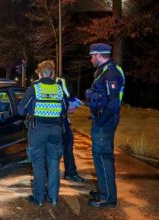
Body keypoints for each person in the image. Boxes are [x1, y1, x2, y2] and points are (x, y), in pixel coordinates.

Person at [18, 60, 67, 207]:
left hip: (38, 130)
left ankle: (39, 198)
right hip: (55, 131)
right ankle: (53, 197)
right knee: (54, 164)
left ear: (39, 73)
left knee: (38, 164)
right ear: (53, 74)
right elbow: (64, 109)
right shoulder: (59, 89)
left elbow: (21, 110)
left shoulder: (34, 88)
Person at [85, 43, 125, 208]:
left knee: (103, 158)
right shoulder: (103, 72)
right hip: (101, 121)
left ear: (99, 55)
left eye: (92, 56)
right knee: (99, 157)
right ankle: (104, 191)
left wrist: (101, 121)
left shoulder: (110, 74)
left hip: (105, 123)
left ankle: (108, 197)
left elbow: (113, 104)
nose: (91, 59)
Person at [55, 77, 85, 183]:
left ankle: (65, 174)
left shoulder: (40, 87)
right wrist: (69, 107)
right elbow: (64, 104)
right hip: (60, 123)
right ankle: (70, 173)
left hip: (56, 123)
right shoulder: (58, 87)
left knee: (64, 148)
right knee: (67, 148)